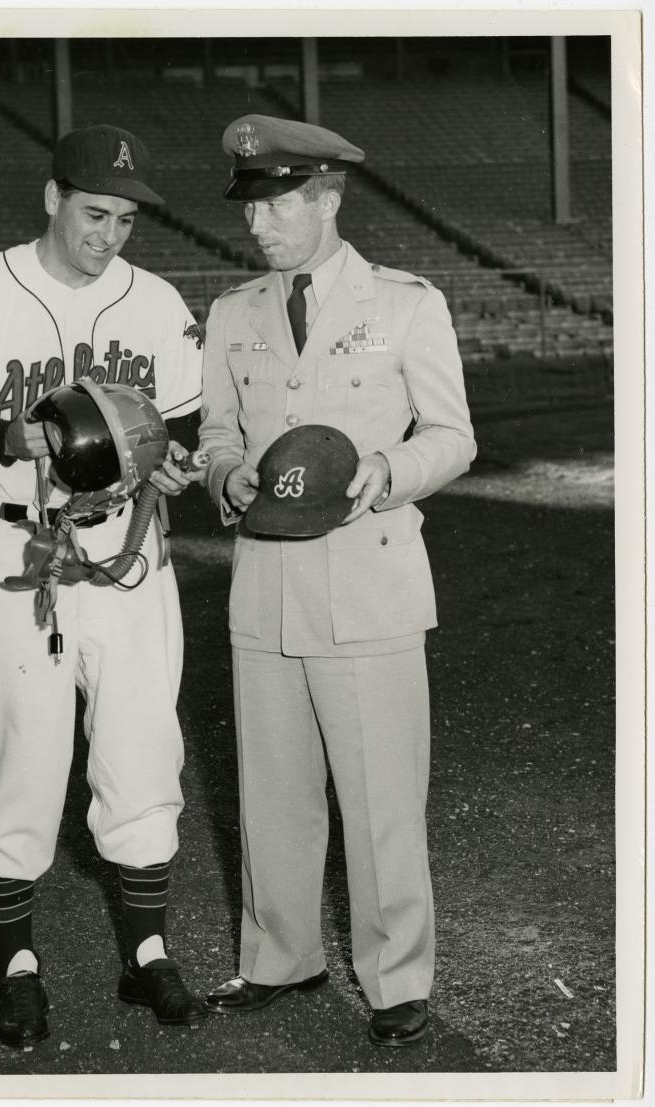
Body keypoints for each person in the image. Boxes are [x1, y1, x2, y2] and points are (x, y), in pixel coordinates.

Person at [0, 124, 208, 1046]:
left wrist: (175, 465)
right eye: (95, 212)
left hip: (129, 551)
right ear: (53, 196)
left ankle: (148, 957)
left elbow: (181, 422)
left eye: (127, 219)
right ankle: (19, 970)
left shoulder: (156, 300)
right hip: (12, 550)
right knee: (14, 755)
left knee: (145, 746)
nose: (109, 235)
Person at [198, 114, 476, 1047]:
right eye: (251, 209)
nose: (257, 227)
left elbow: (453, 435)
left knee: (380, 793)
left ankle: (398, 978)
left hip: (369, 584)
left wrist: (387, 474)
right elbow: (218, 435)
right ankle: (282, 956)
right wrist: (225, 474)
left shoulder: (404, 304)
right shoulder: (235, 312)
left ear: (327, 197)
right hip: (266, 587)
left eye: (275, 205)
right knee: (271, 791)